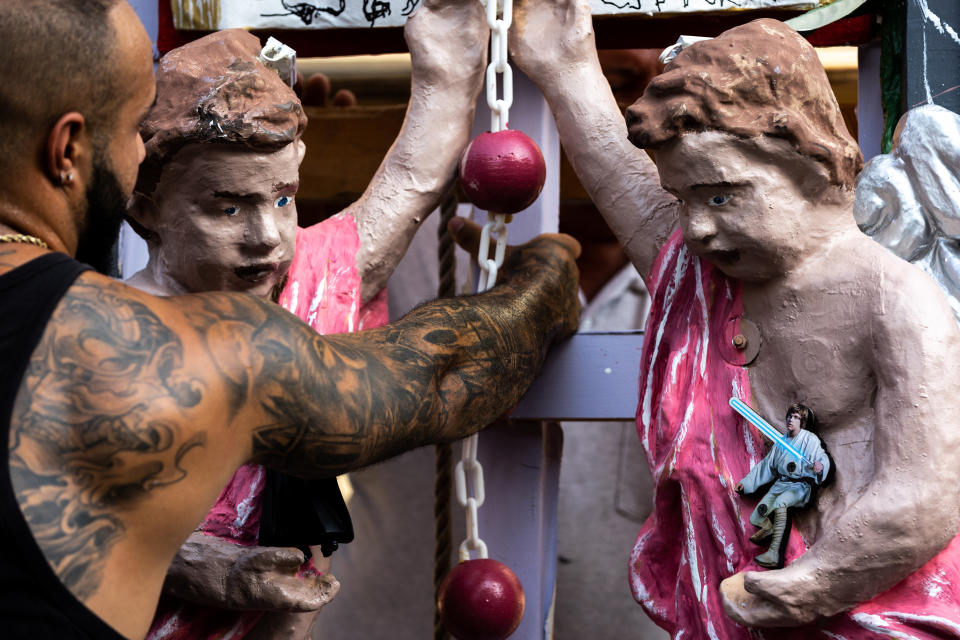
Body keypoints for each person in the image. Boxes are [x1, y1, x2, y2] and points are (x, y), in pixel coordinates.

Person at [0, 2, 581, 639]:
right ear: (67, 148)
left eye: (283, 199)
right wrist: (542, 282)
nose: (140, 150)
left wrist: (189, 560)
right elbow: (443, 377)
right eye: (134, 126)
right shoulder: (166, 350)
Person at [507, 0, 960, 637]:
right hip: (730, 600)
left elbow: (923, 495)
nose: (696, 228)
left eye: (721, 196)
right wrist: (565, 66)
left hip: (852, 611)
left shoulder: (895, 300)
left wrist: (809, 585)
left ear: (805, 161)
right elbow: (624, 187)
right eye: (683, 199)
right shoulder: (708, 279)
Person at [123, 3, 489, 636]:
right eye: (228, 209)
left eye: (283, 199)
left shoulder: (305, 288)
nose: (267, 238)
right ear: (147, 207)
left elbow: (414, 180)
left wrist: (445, 65)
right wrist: (186, 560)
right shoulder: (106, 331)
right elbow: (57, 508)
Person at [735, 403, 830, 569]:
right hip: (781, 484)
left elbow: (822, 459)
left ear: (803, 422)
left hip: (800, 486)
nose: (791, 420)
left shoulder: (810, 440)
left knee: (781, 503)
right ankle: (770, 529)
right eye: (790, 416)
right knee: (757, 516)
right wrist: (746, 483)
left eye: (796, 417)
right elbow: (766, 467)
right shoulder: (782, 441)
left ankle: (773, 554)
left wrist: (820, 466)